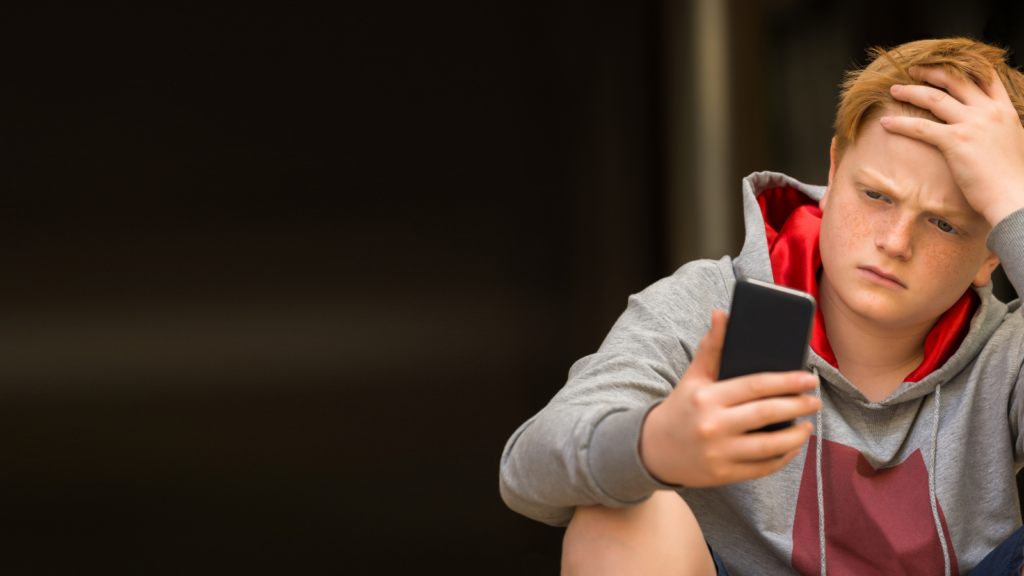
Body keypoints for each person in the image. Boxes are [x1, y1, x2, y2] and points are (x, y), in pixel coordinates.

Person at [499, 38, 1024, 576]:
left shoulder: (1011, 353)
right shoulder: (708, 307)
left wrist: (1014, 201)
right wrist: (654, 443)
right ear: (835, 170)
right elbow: (526, 471)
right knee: (620, 519)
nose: (894, 242)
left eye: (943, 223)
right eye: (876, 195)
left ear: (993, 253)